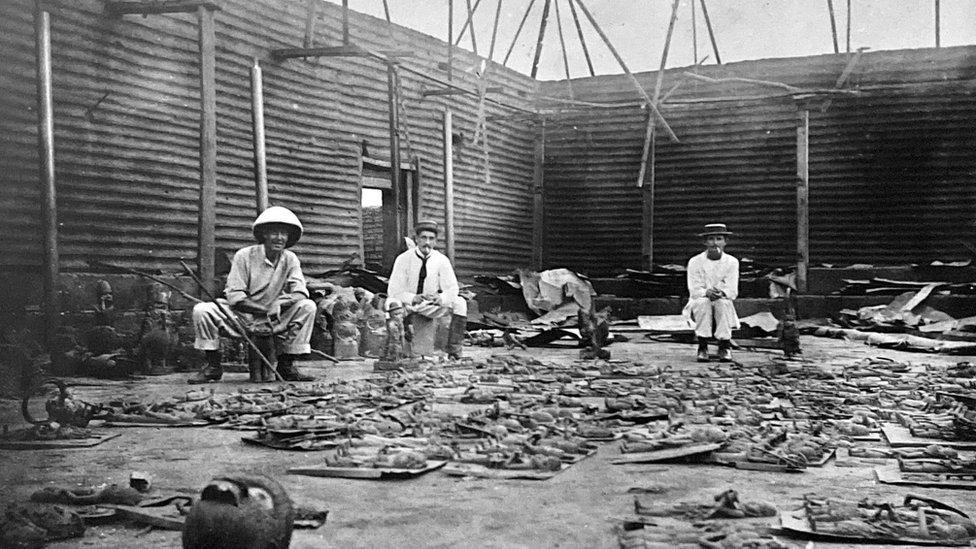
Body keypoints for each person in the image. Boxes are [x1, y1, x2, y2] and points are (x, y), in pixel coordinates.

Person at [189, 206, 316, 383]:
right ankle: (213, 366)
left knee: (308, 307)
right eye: (274, 232)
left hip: (275, 317)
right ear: (264, 234)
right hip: (243, 315)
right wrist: (263, 308)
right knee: (202, 310)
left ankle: (286, 366)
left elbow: (300, 292)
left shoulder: (290, 258)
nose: (279, 238)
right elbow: (234, 296)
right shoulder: (244, 255)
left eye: (284, 234)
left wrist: (278, 303)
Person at [387, 221, 467, 359]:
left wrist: (441, 298)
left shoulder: (441, 260)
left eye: (431, 239)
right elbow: (393, 290)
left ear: (435, 241)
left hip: (428, 305)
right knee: (391, 302)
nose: (427, 242)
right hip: (407, 304)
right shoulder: (403, 259)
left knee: (460, 302)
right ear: (416, 239)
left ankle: (454, 349)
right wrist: (412, 297)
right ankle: (396, 348)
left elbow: (452, 289)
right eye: (423, 238)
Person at [684, 223, 740, 362]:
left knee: (723, 303)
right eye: (711, 239)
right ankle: (702, 347)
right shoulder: (695, 261)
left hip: (721, 298)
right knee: (703, 303)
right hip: (700, 299)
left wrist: (721, 292)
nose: (715, 243)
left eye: (719, 239)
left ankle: (724, 346)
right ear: (705, 242)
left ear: (726, 242)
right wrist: (706, 292)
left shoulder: (732, 262)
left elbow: (732, 290)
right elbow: (694, 289)